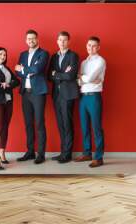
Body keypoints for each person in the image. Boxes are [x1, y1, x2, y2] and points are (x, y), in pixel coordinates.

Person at [14, 29, 49, 164]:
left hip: (38, 92)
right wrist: (26, 71)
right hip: (25, 93)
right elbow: (18, 73)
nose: (31, 41)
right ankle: (30, 152)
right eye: (29, 39)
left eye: (33, 38)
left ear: (37, 39)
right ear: (26, 40)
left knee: (39, 123)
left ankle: (41, 154)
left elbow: (38, 69)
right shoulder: (23, 54)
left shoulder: (43, 53)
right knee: (28, 123)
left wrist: (23, 69)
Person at [74, 36, 107, 168]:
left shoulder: (101, 61)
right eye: (89, 45)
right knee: (84, 127)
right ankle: (87, 153)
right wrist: (85, 79)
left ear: (98, 47)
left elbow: (90, 77)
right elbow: (79, 80)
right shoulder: (83, 62)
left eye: (93, 46)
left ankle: (98, 157)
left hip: (94, 96)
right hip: (83, 97)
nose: (91, 48)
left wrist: (84, 78)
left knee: (96, 127)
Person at [48, 31, 79, 163]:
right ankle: (62, 152)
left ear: (68, 41)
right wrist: (61, 74)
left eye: (65, 40)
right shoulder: (54, 57)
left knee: (67, 123)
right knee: (60, 124)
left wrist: (57, 74)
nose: (62, 42)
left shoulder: (73, 56)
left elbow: (71, 75)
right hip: (56, 95)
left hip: (68, 94)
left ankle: (67, 154)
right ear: (57, 41)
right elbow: (49, 75)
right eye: (60, 40)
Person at [0, 47, 20, 170]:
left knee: (6, 126)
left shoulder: (6, 69)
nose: (3, 57)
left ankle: (2, 153)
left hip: (9, 101)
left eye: (4, 55)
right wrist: (9, 85)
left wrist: (7, 84)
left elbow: (17, 81)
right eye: (0, 54)